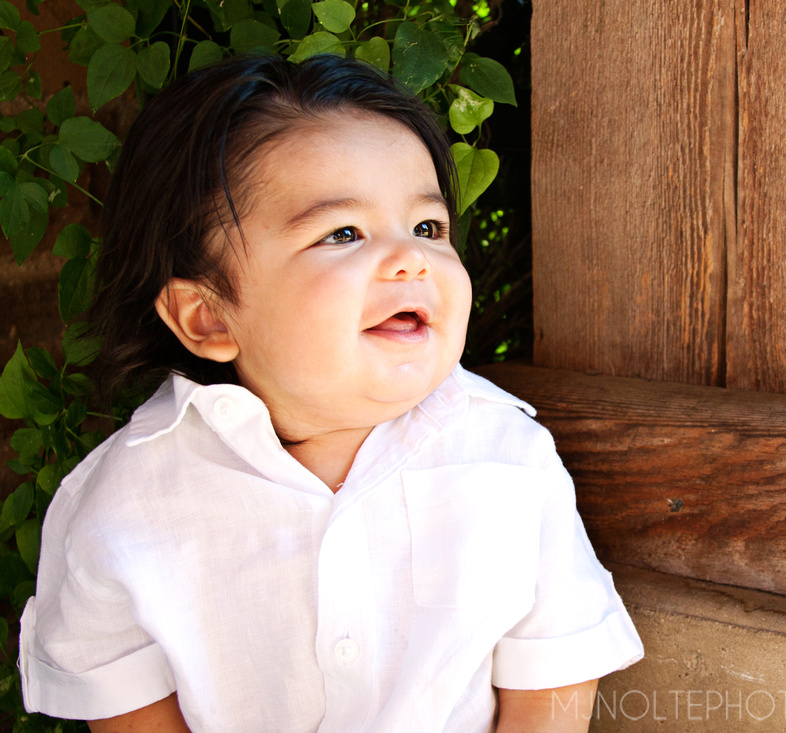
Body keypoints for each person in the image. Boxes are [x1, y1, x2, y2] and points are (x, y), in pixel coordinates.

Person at [18, 54, 643, 732]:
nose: (411, 258)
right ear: (209, 317)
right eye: (342, 233)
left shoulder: (507, 458)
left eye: (428, 227)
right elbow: (127, 705)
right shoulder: (128, 504)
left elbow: (553, 676)